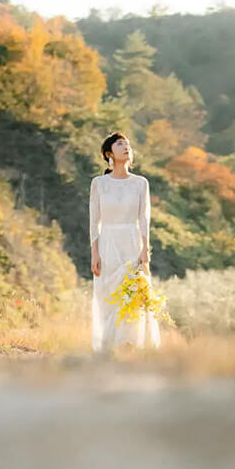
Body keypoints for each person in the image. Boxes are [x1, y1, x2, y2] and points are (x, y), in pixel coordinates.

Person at [90, 132, 159, 351]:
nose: (126, 147)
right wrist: (95, 253)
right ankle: (109, 345)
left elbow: (144, 219)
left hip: (132, 241)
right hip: (108, 243)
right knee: (108, 295)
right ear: (109, 153)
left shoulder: (141, 183)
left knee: (132, 295)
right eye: (120, 144)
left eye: (128, 144)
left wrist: (145, 250)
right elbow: (94, 221)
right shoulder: (99, 183)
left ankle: (131, 344)